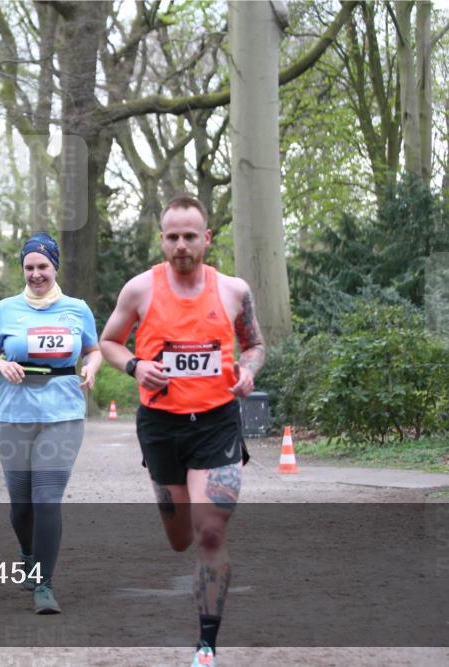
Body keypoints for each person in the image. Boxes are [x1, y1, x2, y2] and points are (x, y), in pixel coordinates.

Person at [99, 195, 265, 666]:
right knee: (179, 537)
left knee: (209, 531)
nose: (181, 246)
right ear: (162, 239)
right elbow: (108, 342)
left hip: (217, 422)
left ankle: (206, 646)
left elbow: (255, 345)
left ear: (206, 238)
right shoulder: (140, 289)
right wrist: (135, 366)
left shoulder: (233, 290)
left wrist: (248, 371)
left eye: (190, 236)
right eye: (172, 237)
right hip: (161, 426)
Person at [0, 232, 102, 614]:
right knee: (21, 504)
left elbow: (93, 349)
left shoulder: (77, 309)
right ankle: (28, 553)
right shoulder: (5, 309)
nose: (36, 274)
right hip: (14, 414)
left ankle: (44, 584)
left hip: (62, 413)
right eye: (29, 267)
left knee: (46, 498)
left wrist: (91, 366)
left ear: (54, 266)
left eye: (42, 266)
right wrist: (1, 365)